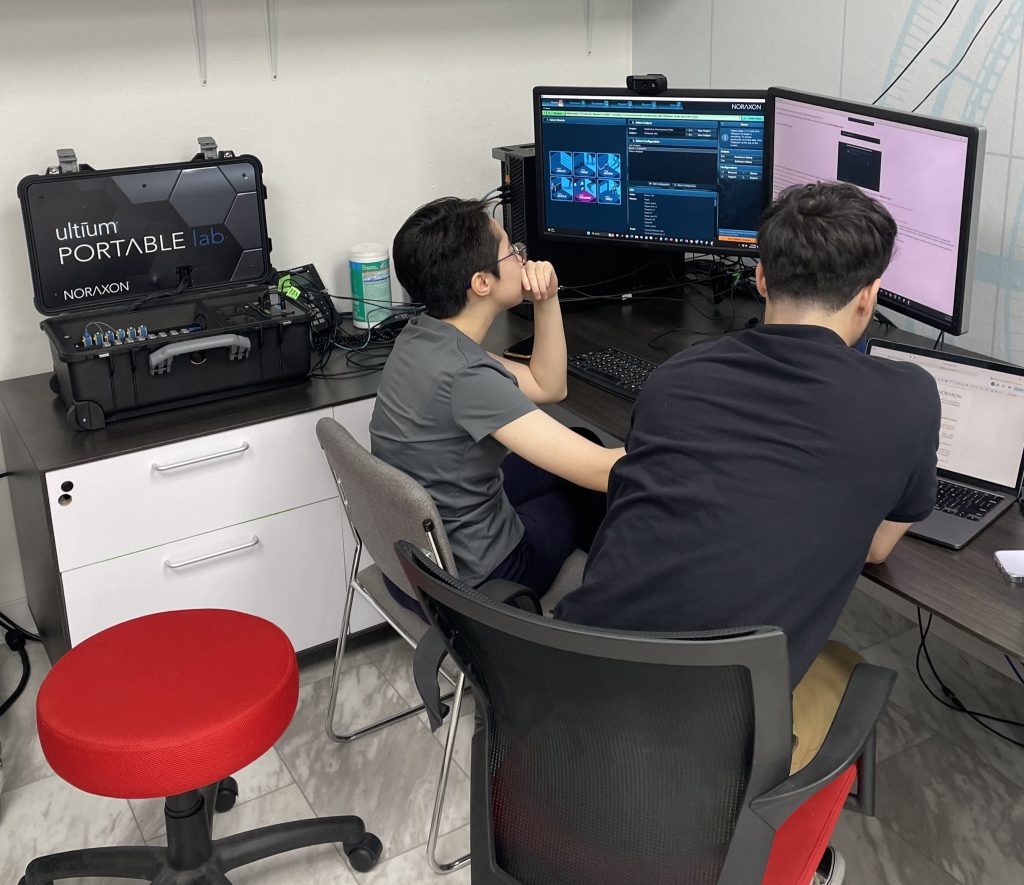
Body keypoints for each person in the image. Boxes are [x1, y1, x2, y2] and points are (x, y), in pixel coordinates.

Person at [554, 182, 941, 883]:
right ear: (869, 295)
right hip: (716, 737)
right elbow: (880, 545)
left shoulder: (678, 375)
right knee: (843, 665)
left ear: (759, 275)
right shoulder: (909, 397)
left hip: (577, 691)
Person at [370, 196, 624, 615]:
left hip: (410, 560)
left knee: (580, 439)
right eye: (512, 252)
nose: (523, 261)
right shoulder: (467, 377)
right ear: (482, 283)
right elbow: (602, 472)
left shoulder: (421, 335)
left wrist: (547, 298)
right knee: (589, 490)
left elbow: (548, 385)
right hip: (476, 580)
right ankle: (601, 617)